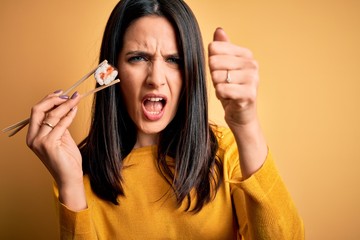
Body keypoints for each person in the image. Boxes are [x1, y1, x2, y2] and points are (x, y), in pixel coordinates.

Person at [26, 0, 304, 239]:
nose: (156, 79)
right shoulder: (78, 169)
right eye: (138, 58)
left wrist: (246, 126)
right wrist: (71, 184)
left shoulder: (226, 152)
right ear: (111, 71)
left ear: (190, 72)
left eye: (174, 60)